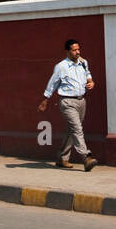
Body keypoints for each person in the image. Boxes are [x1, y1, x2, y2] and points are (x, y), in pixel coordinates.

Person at [38, 38, 98, 171]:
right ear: (68, 51)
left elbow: (88, 73)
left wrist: (91, 82)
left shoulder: (83, 63)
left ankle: (62, 158)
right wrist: (45, 99)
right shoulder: (61, 67)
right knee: (77, 129)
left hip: (81, 100)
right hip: (67, 101)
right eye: (74, 50)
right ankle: (86, 158)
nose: (77, 52)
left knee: (73, 130)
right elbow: (52, 83)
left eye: (78, 49)